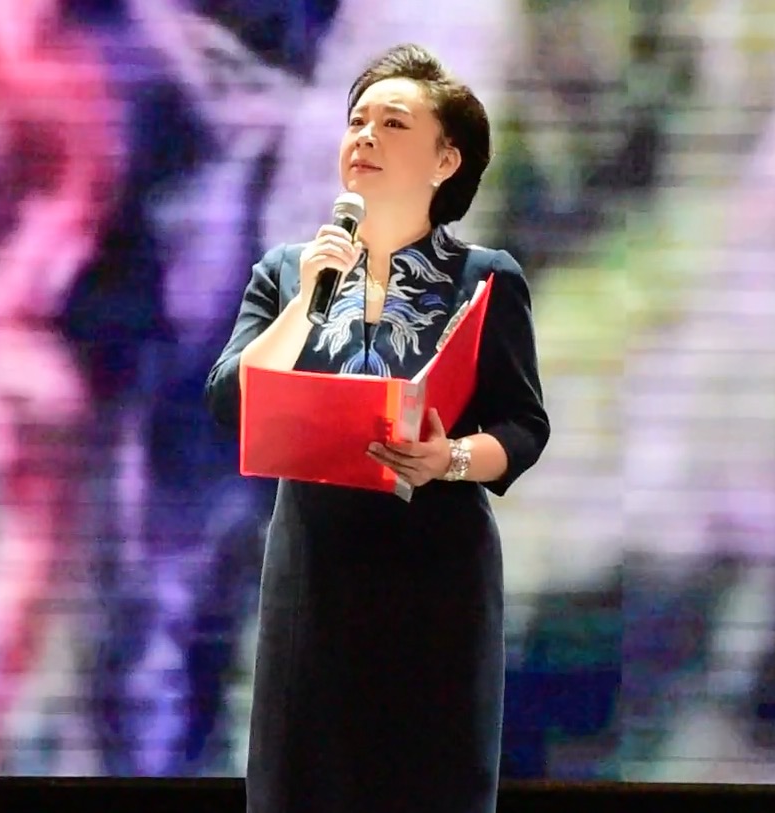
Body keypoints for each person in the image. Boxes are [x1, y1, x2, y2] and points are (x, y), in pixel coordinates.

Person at [205, 42, 550, 813]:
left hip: (437, 578)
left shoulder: (485, 278)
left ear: (445, 161)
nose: (364, 136)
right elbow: (230, 400)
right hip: (313, 574)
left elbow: (523, 427)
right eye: (356, 121)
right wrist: (307, 300)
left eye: (392, 123)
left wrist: (448, 456)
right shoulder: (286, 271)